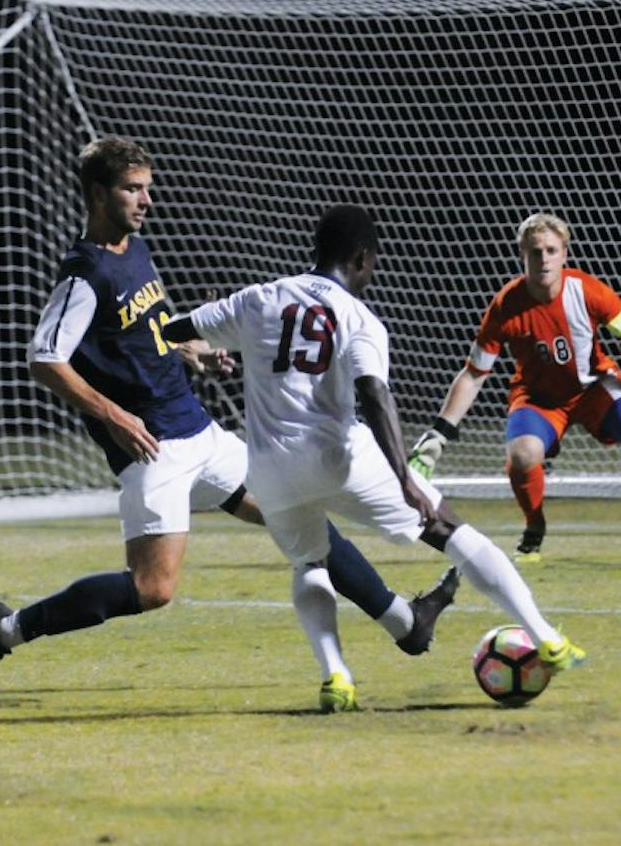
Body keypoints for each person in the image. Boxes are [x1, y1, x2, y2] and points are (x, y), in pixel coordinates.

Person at [0, 139, 457, 694]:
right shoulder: (84, 274)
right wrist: (116, 416)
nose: (146, 200)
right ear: (98, 194)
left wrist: (195, 353)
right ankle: (4, 630)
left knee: (298, 514)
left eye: (147, 188)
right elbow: (45, 360)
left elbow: (149, 328)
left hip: (202, 433)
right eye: (132, 189)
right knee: (153, 589)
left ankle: (405, 624)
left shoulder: (134, 251)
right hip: (152, 448)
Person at [163, 205, 585, 712]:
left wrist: (200, 350)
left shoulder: (259, 298)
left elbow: (174, 328)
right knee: (451, 530)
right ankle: (545, 636)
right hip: (340, 456)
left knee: (310, 563)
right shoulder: (359, 317)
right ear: (363, 258)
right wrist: (404, 476)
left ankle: (336, 677)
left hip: (271, 469)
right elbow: (374, 393)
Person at [407, 212, 621, 562]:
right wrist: (440, 432)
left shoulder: (588, 291)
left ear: (565, 254)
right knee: (522, 454)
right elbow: (474, 373)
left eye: (551, 250)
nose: (544, 258)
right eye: (535, 251)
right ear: (522, 256)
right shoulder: (505, 305)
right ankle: (534, 527)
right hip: (538, 399)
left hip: (593, 388)